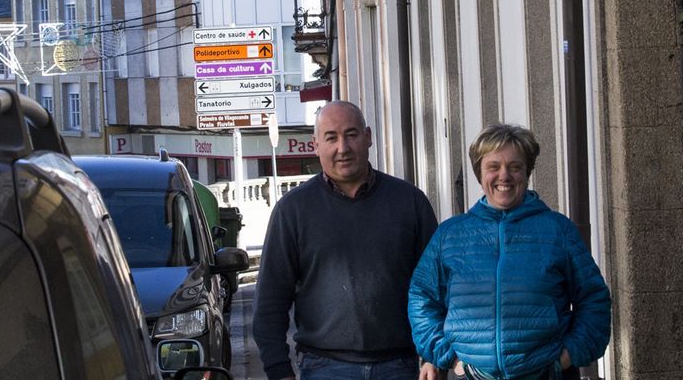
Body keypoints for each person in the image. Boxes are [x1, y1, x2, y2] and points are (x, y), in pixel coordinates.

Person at [408, 123, 611, 380]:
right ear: (480, 174)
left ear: (526, 172)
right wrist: (449, 357)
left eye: (515, 167)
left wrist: (567, 357)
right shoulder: (450, 235)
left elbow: (594, 298)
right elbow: (421, 298)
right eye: (493, 167)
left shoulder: (558, 231)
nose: (504, 176)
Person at [253, 100, 439, 380]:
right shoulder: (293, 211)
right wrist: (278, 369)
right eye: (331, 138)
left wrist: (433, 355)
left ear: (368, 137)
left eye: (351, 134)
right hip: (324, 367)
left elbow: (436, 286)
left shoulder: (409, 202)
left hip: (401, 366)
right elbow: (270, 300)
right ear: (316, 145)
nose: (343, 148)